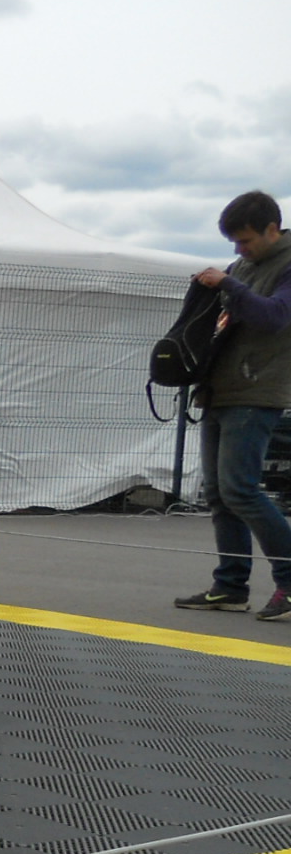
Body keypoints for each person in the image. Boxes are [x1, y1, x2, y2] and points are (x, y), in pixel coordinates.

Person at [175, 191, 291, 621]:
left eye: (245, 241)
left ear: (272, 229)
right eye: (234, 243)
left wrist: (227, 284)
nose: (239, 251)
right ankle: (229, 587)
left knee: (241, 490)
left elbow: (275, 317)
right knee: (220, 495)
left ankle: (290, 581)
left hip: (257, 392)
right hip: (219, 390)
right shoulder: (242, 267)